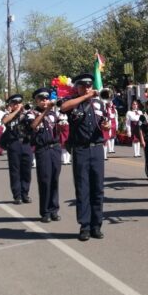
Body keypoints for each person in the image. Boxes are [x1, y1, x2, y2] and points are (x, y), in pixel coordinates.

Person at [60, 73, 110, 241]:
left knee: (98, 189)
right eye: (84, 86)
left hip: (96, 148)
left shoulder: (99, 104)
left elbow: (105, 121)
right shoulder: (73, 102)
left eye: (90, 86)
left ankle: (97, 225)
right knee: (83, 189)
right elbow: (63, 107)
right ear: (78, 87)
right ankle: (85, 226)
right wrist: (87, 96)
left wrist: (107, 125)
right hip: (80, 150)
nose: (88, 88)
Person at [28, 88, 62, 223]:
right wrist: (46, 111)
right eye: (41, 99)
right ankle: (45, 211)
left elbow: (58, 128)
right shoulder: (32, 113)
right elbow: (33, 125)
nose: (44, 101)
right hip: (43, 149)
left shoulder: (54, 114)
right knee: (45, 181)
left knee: (54, 180)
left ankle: (54, 209)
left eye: (46, 99)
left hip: (55, 148)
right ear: (36, 100)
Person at [1, 94, 33, 204]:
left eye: (19, 103)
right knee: (15, 171)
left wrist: (24, 112)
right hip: (14, 144)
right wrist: (16, 111)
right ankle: (17, 195)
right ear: (10, 104)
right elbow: (5, 121)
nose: (18, 105)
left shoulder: (27, 114)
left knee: (26, 171)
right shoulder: (8, 114)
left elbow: (32, 123)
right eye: (15, 103)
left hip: (25, 143)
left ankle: (25, 194)